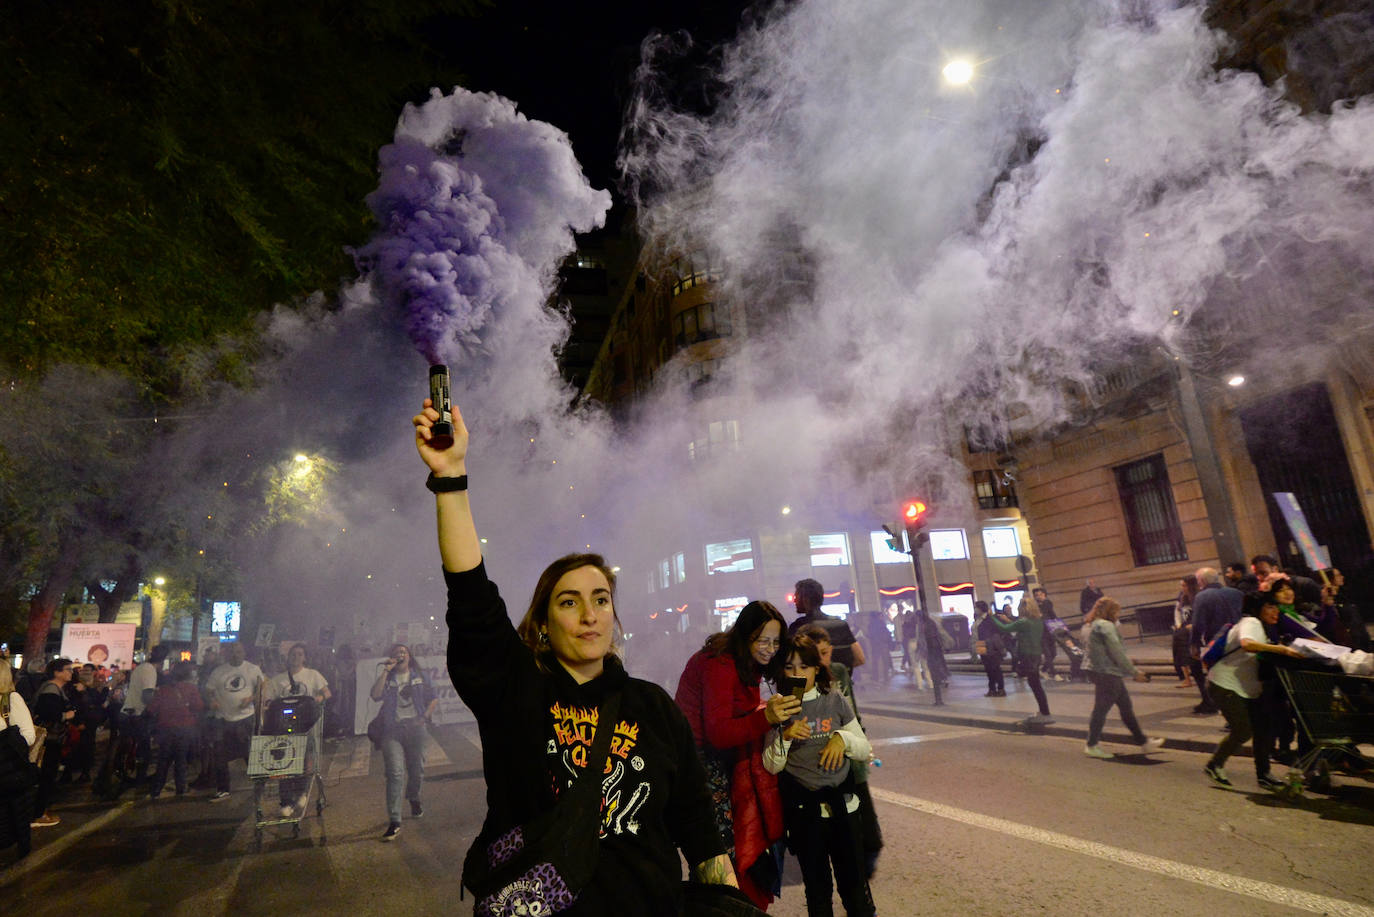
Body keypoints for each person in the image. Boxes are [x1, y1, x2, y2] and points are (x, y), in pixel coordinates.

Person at [415, 396, 736, 915]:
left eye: (601, 599)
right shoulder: (516, 692)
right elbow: (471, 595)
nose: (589, 614)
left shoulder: (654, 709)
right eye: (569, 602)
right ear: (543, 625)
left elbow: (699, 830)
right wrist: (451, 478)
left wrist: (725, 898)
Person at [675, 600, 794, 909]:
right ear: (745, 635)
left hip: (719, 762)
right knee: (721, 861)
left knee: (737, 855)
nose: (770, 649)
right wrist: (765, 718)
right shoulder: (721, 663)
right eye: (762, 640)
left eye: (776, 642)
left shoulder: (746, 663)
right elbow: (719, 732)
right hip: (698, 766)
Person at [763, 634, 875, 917]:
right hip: (805, 814)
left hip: (844, 808)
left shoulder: (834, 699)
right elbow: (771, 765)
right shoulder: (777, 708)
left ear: (816, 668)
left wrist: (842, 738)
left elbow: (863, 749)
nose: (798, 673)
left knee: (855, 889)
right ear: (781, 671)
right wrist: (785, 736)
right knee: (817, 891)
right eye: (790, 667)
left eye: (804, 666)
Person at [798, 624, 882, 880]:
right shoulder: (800, 684)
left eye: (825, 653)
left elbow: (852, 712)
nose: (822, 660)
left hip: (851, 761)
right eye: (816, 655)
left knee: (870, 835)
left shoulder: (838, 672)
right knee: (840, 833)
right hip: (822, 769)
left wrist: (860, 745)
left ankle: (860, 873)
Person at [1202, 592, 1305, 792]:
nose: (1275, 611)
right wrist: (1282, 650)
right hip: (1225, 684)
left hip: (1245, 689)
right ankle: (1215, 765)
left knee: (1263, 731)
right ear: (1258, 609)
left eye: (1276, 607)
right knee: (1243, 730)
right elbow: (1247, 644)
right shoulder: (1251, 622)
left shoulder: (1264, 628)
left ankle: (1264, 775)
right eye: (1270, 607)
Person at [1081, 598, 1166, 759]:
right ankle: (1091, 744)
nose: (1118, 615)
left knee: (1125, 706)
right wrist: (1134, 672)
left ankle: (1144, 742)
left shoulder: (1088, 625)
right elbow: (1116, 652)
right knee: (1101, 709)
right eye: (1117, 612)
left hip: (1097, 670)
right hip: (1107, 672)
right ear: (1111, 611)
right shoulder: (1106, 626)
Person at [369, 643, 434, 839]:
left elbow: (434, 697)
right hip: (392, 731)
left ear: (409, 656)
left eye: (404, 652)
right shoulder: (387, 679)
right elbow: (375, 695)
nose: (401, 654)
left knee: (417, 770)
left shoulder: (419, 676)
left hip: (416, 729)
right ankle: (395, 820)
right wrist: (385, 672)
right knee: (395, 773)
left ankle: (413, 798)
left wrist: (425, 717)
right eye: (397, 652)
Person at [265, 643, 331, 817]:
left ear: (305, 657)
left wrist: (318, 697)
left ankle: (302, 792)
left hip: (307, 725)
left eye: (300, 654)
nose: (296, 657)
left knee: (304, 759)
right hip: (284, 727)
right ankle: (286, 801)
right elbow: (268, 700)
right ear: (288, 657)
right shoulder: (278, 680)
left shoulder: (312, 675)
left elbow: (327, 692)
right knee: (285, 762)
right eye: (293, 654)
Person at [203, 641, 264, 802]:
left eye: (238, 651)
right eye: (232, 652)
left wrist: (251, 698)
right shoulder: (218, 671)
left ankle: (259, 784)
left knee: (249, 753)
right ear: (226, 654)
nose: (235, 654)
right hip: (223, 719)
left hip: (245, 719)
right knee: (220, 755)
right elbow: (209, 690)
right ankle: (223, 789)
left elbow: (262, 688)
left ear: (243, 653)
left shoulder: (252, 669)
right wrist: (212, 700)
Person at [1188, 567, 1243, 715]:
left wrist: (1194, 644)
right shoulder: (1236, 593)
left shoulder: (1202, 596)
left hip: (1218, 644)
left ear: (1202, 581)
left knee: (1222, 680)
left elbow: (1198, 623)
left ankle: (1233, 716)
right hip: (1239, 641)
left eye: (1198, 580)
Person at [146, 661, 204, 799]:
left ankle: (156, 790)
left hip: (165, 729)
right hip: (184, 729)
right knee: (181, 759)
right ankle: (181, 789)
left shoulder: (163, 689)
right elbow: (199, 706)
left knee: (163, 760)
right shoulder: (191, 688)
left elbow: (152, 708)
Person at [30, 659, 77, 828]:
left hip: (52, 739)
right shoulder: (51, 690)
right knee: (46, 775)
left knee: (47, 775)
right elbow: (49, 714)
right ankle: (38, 814)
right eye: (67, 669)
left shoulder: (55, 689)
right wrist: (67, 715)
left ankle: (40, 810)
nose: (71, 672)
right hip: (49, 740)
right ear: (56, 672)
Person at [1, 662, 38, 859]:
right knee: (14, 809)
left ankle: (21, 848)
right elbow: (28, 736)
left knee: (15, 808)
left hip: (7, 765)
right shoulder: (11, 699)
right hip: (9, 766)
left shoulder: (11, 699)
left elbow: (28, 736)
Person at [991, 601, 1051, 721]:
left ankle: (1044, 712)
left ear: (1023, 609)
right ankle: (1044, 710)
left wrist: (992, 617)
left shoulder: (1023, 622)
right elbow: (1019, 626)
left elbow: (1004, 628)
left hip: (1027, 655)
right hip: (1037, 654)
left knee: (1034, 684)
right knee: (1035, 683)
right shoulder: (1038, 621)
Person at [789, 579, 865, 670]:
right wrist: (838, 672)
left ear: (805, 599)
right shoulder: (840, 624)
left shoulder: (798, 627)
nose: (794, 601)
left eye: (796, 596)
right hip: (840, 683)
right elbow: (860, 659)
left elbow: (790, 661)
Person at [123, 644, 169, 784]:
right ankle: (141, 776)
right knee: (145, 746)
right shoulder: (149, 670)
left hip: (127, 710)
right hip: (140, 712)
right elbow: (147, 695)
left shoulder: (140, 668)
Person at [1171, 575, 1199, 688]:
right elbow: (1177, 610)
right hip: (1183, 627)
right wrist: (1178, 624)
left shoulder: (1198, 596)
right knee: (1180, 652)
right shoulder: (1181, 596)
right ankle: (1186, 679)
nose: (1182, 588)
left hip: (1194, 627)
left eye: (1184, 585)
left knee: (1195, 653)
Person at [973, 602, 1006, 697]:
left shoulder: (990, 619)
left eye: (976, 607)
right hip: (981, 645)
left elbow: (997, 631)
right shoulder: (977, 619)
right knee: (988, 669)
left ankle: (1000, 688)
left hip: (991, 647)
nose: (975, 609)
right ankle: (992, 689)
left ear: (981, 608)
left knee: (995, 668)